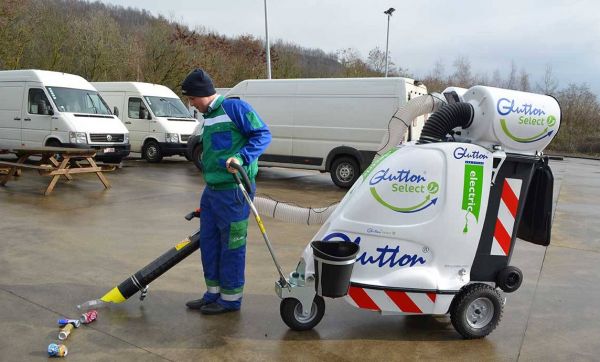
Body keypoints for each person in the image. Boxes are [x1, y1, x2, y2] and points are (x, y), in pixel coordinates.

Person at [182, 69, 272, 315]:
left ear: (202, 94)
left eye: (191, 98)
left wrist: (242, 158)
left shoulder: (235, 109)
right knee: (209, 243)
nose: (190, 103)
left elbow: (263, 134)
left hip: (234, 191)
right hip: (212, 191)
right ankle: (213, 294)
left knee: (231, 246)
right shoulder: (208, 117)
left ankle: (231, 299)